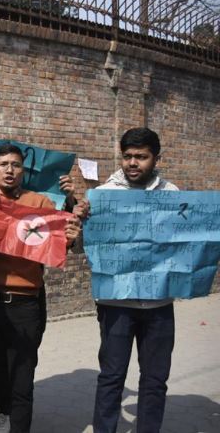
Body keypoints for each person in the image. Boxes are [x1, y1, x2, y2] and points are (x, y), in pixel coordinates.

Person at [0, 143, 80, 433]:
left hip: (26, 302)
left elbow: (59, 242)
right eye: (3, 164)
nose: (10, 170)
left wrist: (69, 233)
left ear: (23, 170)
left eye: (16, 165)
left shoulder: (39, 203)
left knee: (22, 378)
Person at [74, 127, 178, 433]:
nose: (133, 163)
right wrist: (79, 226)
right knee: (111, 376)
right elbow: (82, 249)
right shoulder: (103, 196)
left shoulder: (172, 195)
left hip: (159, 304)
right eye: (128, 156)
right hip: (115, 303)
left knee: (155, 380)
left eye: (141, 157)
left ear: (156, 158)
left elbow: (185, 243)